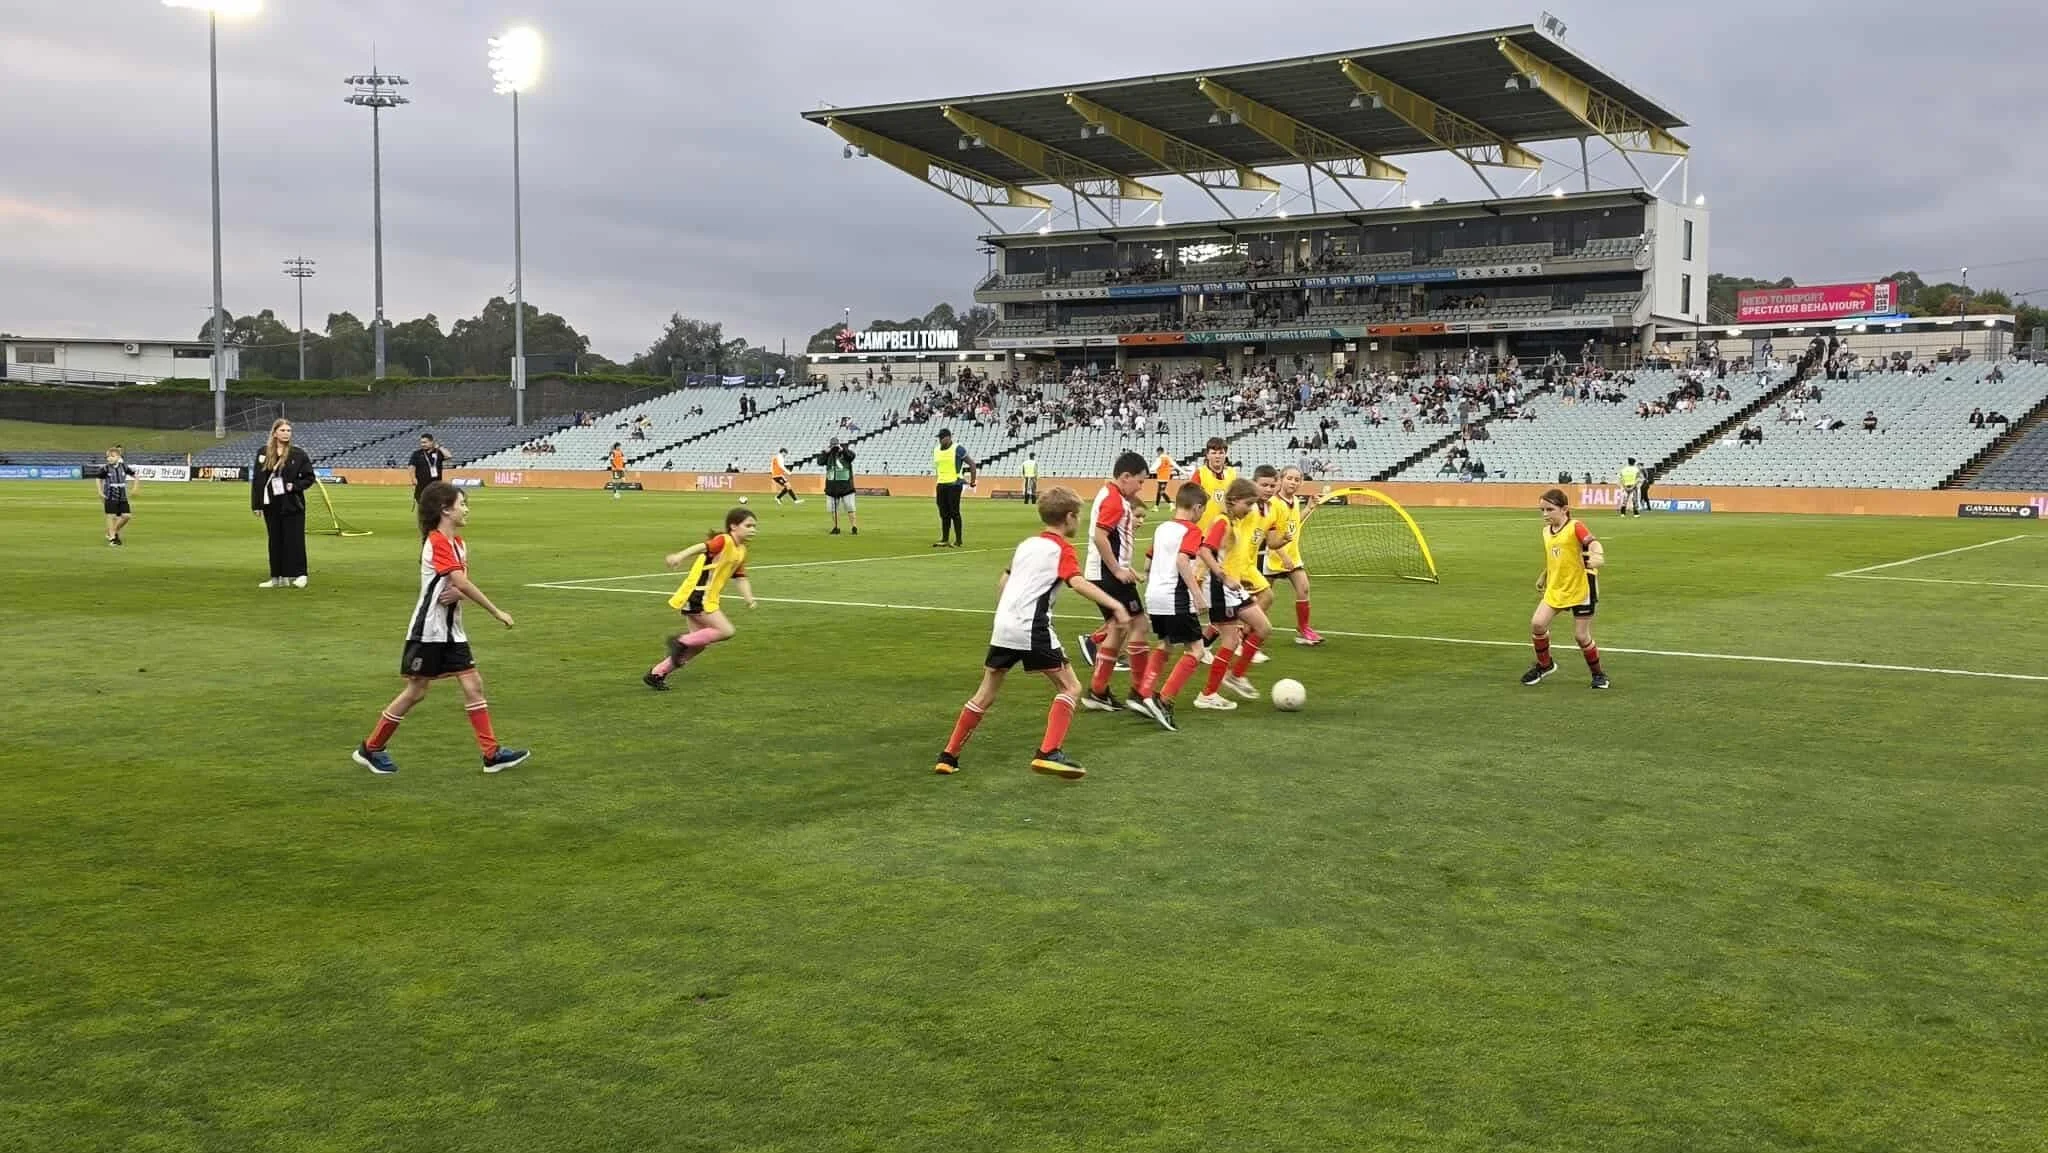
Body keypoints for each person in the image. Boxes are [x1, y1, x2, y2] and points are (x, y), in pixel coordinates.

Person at [933, 487, 1127, 779]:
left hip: (1004, 625)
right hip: (1031, 627)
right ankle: (1049, 752)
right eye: (1078, 517)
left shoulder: (1027, 544)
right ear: (1070, 517)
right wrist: (1115, 605)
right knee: (1070, 687)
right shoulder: (1062, 548)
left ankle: (948, 756)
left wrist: (1009, 612)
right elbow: (1076, 581)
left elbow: (1003, 581)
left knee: (984, 694)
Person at [351, 482, 529, 775]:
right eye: (463, 504)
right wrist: (496, 611)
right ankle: (371, 748)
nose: (467, 509)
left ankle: (491, 754)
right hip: (430, 631)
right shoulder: (437, 542)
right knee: (416, 691)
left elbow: (460, 581)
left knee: (473, 685)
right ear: (446, 509)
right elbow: (459, 582)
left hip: (453, 631)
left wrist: (459, 591)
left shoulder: (458, 543)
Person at [644, 507, 760, 691]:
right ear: (733, 526)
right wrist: (679, 556)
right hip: (698, 594)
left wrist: (749, 598)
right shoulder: (724, 540)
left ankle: (657, 674)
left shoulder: (741, 550)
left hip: (707, 597)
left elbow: (740, 576)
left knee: (698, 645)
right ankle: (680, 641)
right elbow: (702, 547)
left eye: (755, 526)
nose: (753, 529)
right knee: (726, 631)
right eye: (748, 525)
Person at [1077, 452, 1154, 716]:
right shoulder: (1115, 500)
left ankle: (1098, 691)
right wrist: (1117, 569)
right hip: (1107, 574)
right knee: (1139, 625)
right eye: (1140, 482)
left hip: (1102, 572)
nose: (1141, 487)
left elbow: (1109, 539)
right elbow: (1100, 536)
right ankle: (1141, 692)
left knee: (1118, 628)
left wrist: (1124, 565)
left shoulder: (1110, 495)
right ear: (1125, 477)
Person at [1133, 482, 1214, 731]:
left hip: (1154, 597)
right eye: (1203, 510)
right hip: (1175, 597)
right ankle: (1164, 700)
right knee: (1197, 650)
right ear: (1197, 508)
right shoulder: (1190, 529)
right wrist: (1197, 594)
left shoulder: (1162, 528)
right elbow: (1181, 560)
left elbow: (1148, 563)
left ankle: (1145, 692)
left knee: (1166, 643)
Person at [1523, 488, 1609, 690]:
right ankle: (1545, 665)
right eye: (1542, 510)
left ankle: (1599, 675)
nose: (1545, 514)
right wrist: (1544, 575)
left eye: (1549, 509)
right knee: (1537, 624)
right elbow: (1557, 557)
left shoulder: (1575, 527)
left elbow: (1593, 543)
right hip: (1557, 586)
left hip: (1581, 587)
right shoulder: (1546, 531)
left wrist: (1597, 556)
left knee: (1581, 636)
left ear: (1564, 509)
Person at [1261, 465, 1323, 645]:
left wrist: (1309, 508)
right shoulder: (1273, 503)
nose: (1293, 483)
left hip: (1292, 556)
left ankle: (1303, 629)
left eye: (1297, 480)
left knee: (1303, 588)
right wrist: (1283, 556)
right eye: (1290, 478)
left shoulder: (1295, 501)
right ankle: (1249, 632)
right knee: (1264, 599)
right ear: (1280, 480)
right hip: (1273, 557)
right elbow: (1269, 536)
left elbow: (1293, 525)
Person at [250, 418, 316, 589]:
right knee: (275, 540)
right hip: (271, 504)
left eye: (288, 431)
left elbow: (309, 478)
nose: (286, 433)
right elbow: (258, 480)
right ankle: (277, 576)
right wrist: (257, 505)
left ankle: (301, 574)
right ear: (274, 433)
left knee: (294, 540)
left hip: (292, 504)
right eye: (283, 430)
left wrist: (294, 486)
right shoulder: (263, 453)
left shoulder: (298, 454)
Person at [932, 429, 977, 549]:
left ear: (948, 437)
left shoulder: (958, 448)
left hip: (954, 484)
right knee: (943, 513)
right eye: (939, 438)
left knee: (954, 512)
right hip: (941, 484)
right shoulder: (936, 450)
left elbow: (972, 464)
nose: (940, 440)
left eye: (942, 438)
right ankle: (945, 539)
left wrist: (972, 481)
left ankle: (958, 540)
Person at [818, 439, 857, 534]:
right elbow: (820, 462)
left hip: (846, 486)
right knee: (833, 509)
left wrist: (842, 449)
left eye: (836, 445)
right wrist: (825, 452)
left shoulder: (846, 452)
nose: (834, 448)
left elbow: (852, 456)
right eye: (833, 446)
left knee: (850, 508)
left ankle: (854, 527)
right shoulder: (828, 455)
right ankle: (836, 527)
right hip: (832, 487)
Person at [99, 445, 136, 546]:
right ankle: (113, 538)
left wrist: (135, 488)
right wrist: (100, 492)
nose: (109, 458)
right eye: (108, 457)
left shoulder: (124, 466)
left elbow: (135, 475)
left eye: (112, 456)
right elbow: (99, 479)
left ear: (118, 457)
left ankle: (112, 531)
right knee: (112, 516)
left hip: (122, 497)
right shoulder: (105, 468)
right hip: (110, 496)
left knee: (127, 516)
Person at [409, 433, 450, 502]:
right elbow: (411, 466)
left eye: (425, 442)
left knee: (436, 505)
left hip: (436, 485)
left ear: (432, 442)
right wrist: (413, 478)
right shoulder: (417, 454)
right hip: (421, 485)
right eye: (421, 442)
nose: (422, 444)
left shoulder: (438, 452)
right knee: (422, 505)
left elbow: (449, 456)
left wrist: (439, 447)